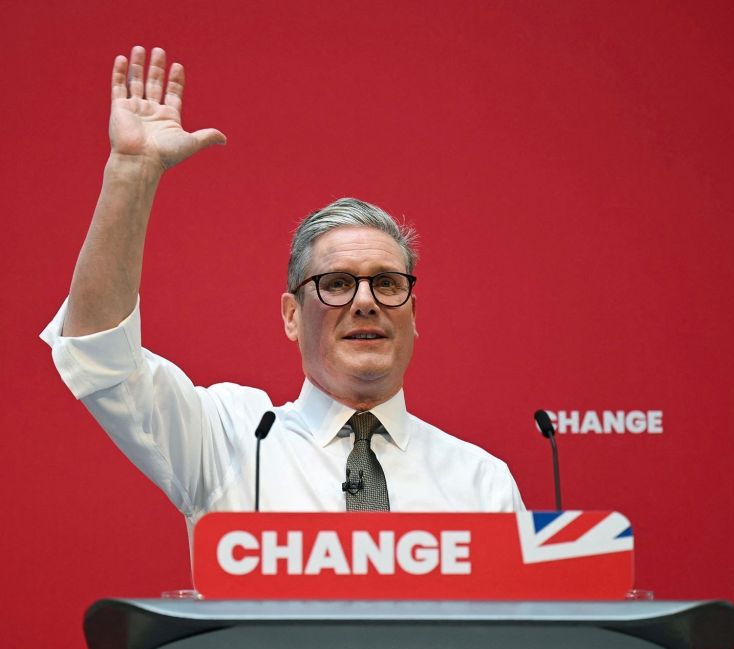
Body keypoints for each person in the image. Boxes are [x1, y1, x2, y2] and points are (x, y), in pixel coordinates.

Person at [40, 46, 525, 539]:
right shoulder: (231, 438)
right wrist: (133, 172)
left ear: (413, 313)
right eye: (336, 283)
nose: (365, 301)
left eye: (386, 283)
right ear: (291, 315)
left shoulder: (482, 483)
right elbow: (97, 348)